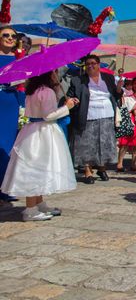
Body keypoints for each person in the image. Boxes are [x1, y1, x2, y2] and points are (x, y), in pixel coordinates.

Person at [2, 71, 79, 220]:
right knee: (35, 169)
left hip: (32, 130)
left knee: (39, 167)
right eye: (54, 72)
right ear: (48, 75)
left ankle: (39, 203)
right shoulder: (47, 91)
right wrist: (67, 107)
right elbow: (48, 115)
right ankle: (31, 209)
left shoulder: (32, 91)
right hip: (44, 131)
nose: (56, 75)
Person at [67, 54, 122, 184]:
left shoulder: (108, 78)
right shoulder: (78, 80)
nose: (91, 65)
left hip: (107, 115)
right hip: (88, 115)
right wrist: (71, 100)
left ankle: (102, 168)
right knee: (87, 144)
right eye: (88, 64)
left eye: (93, 63)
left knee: (104, 143)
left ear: (98, 64)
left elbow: (116, 95)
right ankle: (87, 170)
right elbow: (70, 95)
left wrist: (119, 87)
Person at [0, 26, 25, 202]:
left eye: (13, 36)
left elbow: (22, 83)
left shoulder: (18, 59)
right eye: (5, 35)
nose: (10, 38)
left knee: (9, 147)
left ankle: (4, 188)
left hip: (13, 102)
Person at [116, 77, 136, 172]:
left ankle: (134, 163)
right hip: (129, 117)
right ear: (132, 84)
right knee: (124, 141)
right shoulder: (128, 94)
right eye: (135, 83)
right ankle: (120, 163)